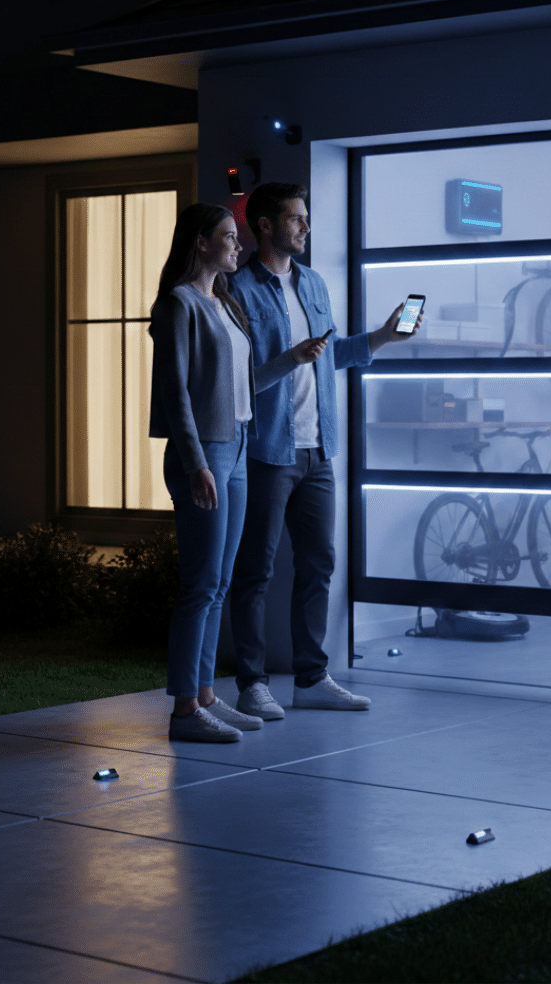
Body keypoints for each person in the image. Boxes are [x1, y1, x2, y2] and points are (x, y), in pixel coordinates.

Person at [228, 183, 420, 720]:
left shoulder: (313, 283)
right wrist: (290, 358)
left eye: (306, 220)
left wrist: (381, 337)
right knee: (255, 571)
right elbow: (239, 379)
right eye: (296, 220)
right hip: (268, 450)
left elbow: (328, 355)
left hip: (318, 451)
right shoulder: (237, 291)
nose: (306, 229)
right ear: (265, 225)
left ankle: (312, 678)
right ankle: (251, 684)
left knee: (319, 565)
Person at [149, 202, 328, 742]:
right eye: (228, 236)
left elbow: (243, 386)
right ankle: (184, 711)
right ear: (200, 243)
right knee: (201, 586)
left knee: (220, 583)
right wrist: (197, 462)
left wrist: (292, 360)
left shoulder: (223, 303)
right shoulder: (180, 305)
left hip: (239, 444)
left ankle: (205, 696)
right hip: (204, 454)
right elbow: (175, 394)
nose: (238, 244)